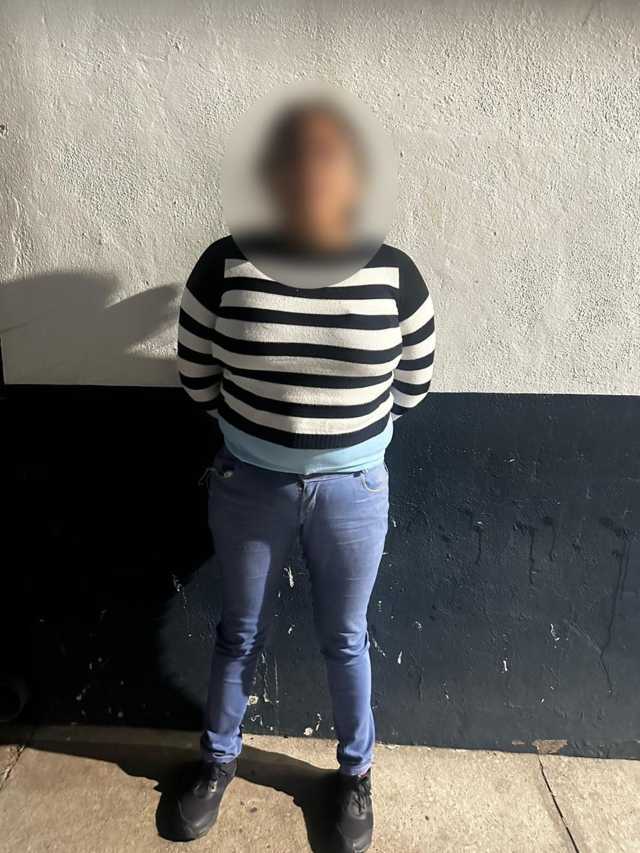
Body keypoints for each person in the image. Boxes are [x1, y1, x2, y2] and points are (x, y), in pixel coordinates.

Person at [175, 97, 435, 853]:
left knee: (346, 636)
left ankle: (355, 774)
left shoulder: (394, 272)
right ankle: (217, 759)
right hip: (249, 485)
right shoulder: (224, 264)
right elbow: (196, 375)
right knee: (238, 632)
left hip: (353, 492)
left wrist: (336, 441)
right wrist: (264, 436)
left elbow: (414, 383)